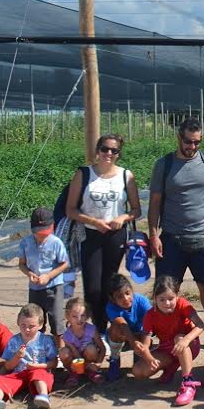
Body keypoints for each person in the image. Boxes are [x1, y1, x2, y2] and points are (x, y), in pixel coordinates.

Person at [149, 117, 204, 307]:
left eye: (197, 142)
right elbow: (154, 202)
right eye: (188, 141)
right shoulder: (164, 165)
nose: (192, 146)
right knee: (166, 292)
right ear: (179, 138)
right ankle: (168, 335)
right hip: (171, 240)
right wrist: (153, 235)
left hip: (203, 239)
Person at [65, 132, 143, 333]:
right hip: (90, 234)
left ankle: (112, 328)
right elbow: (70, 209)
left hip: (115, 235)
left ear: (119, 153)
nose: (109, 153)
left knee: (110, 285)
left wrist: (122, 218)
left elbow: (136, 209)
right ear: (97, 150)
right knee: (92, 287)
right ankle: (97, 330)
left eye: (114, 150)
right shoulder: (83, 174)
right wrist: (92, 221)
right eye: (105, 149)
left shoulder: (126, 175)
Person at [137, 275, 204, 407]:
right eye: (162, 299)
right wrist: (148, 357)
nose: (167, 303)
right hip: (167, 348)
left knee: (178, 338)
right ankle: (171, 367)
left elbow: (201, 325)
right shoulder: (150, 315)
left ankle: (188, 383)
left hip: (189, 345)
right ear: (155, 299)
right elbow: (145, 344)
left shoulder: (183, 305)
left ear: (177, 296)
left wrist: (186, 340)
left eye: (170, 298)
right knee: (139, 372)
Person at [0, 304, 56, 409]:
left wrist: (38, 366)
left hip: (38, 371)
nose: (27, 329)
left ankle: (43, 396)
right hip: (18, 374)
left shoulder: (45, 340)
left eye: (31, 326)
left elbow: (54, 362)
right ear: (18, 322)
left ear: (40, 325)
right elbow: (8, 366)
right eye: (23, 325)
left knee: (40, 374)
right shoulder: (14, 341)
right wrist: (17, 357)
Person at [18, 207, 70, 336]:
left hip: (54, 287)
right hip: (35, 288)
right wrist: (29, 273)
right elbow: (22, 264)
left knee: (57, 323)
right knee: (34, 321)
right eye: (38, 232)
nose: (41, 235)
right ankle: (37, 351)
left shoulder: (56, 243)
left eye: (44, 232)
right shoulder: (25, 243)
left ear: (52, 227)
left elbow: (65, 264)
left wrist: (48, 276)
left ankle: (60, 352)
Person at [104, 275, 151, 381]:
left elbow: (150, 324)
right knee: (116, 328)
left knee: (139, 370)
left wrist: (145, 347)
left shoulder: (142, 301)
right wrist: (133, 342)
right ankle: (114, 360)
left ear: (132, 291)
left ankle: (139, 357)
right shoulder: (111, 307)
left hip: (141, 335)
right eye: (120, 296)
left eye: (127, 293)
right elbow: (122, 325)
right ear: (112, 299)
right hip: (122, 337)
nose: (125, 299)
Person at [58, 295, 106, 389]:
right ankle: (74, 373)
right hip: (76, 360)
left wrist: (98, 364)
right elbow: (75, 354)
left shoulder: (91, 329)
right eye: (75, 316)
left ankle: (91, 372)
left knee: (91, 348)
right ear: (68, 316)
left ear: (87, 315)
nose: (79, 319)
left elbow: (102, 348)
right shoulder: (67, 335)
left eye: (82, 315)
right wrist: (81, 365)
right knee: (63, 352)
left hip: (90, 359)